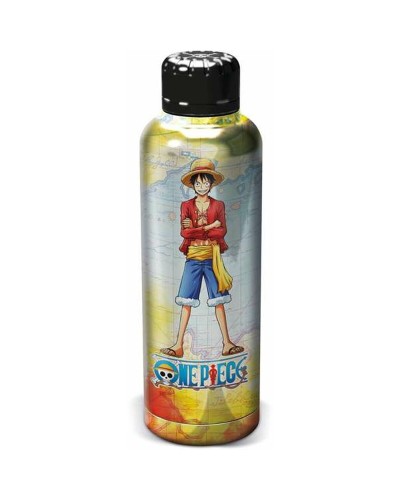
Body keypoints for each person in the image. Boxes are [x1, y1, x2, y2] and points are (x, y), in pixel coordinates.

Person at [161, 158, 244, 358]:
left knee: (219, 300)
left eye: (205, 182)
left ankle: (227, 343)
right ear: (192, 184)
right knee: (186, 301)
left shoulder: (218, 205)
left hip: (212, 257)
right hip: (193, 257)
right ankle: (178, 345)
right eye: (197, 183)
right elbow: (185, 233)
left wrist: (198, 228)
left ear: (211, 183)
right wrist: (209, 226)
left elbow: (222, 231)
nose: (201, 186)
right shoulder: (186, 205)